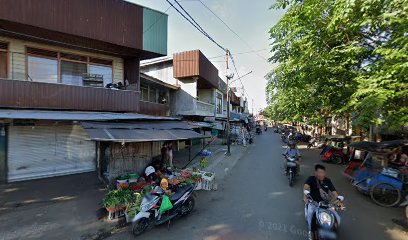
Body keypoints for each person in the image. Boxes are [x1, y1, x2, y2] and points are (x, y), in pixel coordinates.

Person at [303, 164, 342, 240]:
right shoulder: (311, 179)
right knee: (310, 215)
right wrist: (305, 197)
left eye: (323, 172)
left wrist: (338, 201)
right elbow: (306, 187)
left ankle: (333, 231)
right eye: (319, 172)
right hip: (313, 203)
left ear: (325, 173)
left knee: (338, 218)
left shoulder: (328, 180)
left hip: (326, 204)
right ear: (315, 173)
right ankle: (311, 231)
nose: (321, 174)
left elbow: (334, 191)